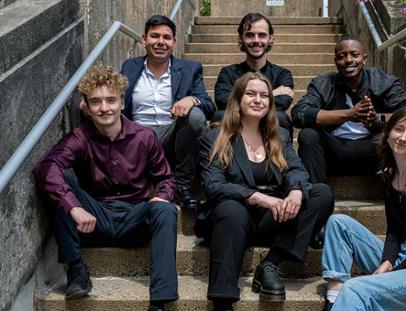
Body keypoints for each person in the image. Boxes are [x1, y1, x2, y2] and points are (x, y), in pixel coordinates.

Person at [33, 65, 178, 311]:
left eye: (111, 100)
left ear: (122, 102)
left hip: (135, 219)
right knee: (56, 179)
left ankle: (159, 301)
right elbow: (45, 167)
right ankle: (76, 269)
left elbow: (166, 178)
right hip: (94, 220)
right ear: (87, 108)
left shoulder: (145, 137)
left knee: (166, 210)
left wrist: (162, 196)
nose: (104, 108)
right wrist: (74, 208)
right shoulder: (79, 138)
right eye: (96, 102)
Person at [198, 72, 334, 311]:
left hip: (273, 219)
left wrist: (295, 192)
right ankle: (223, 300)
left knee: (320, 193)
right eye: (250, 94)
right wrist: (258, 197)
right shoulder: (215, 137)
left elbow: (297, 170)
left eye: (264, 95)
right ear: (238, 100)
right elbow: (213, 185)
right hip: (231, 220)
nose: (257, 100)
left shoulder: (278, 136)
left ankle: (270, 264)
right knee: (230, 209)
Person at [320, 104, 406, 311]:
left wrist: (394, 272)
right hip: (403, 253)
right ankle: (334, 296)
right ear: (389, 131)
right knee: (339, 224)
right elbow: (394, 231)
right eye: (399, 129)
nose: (403, 137)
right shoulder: (391, 174)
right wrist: (387, 260)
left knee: (357, 288)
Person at [291, 35, 406, 183]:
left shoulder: (382, 81)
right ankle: (316, 195)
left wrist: (379, 119)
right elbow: (299, 113)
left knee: (402, 133)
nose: (348, 60)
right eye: (341, 56)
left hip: (375, 152)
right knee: (308, 135)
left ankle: (404, 193)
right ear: (335, 62)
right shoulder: (323, 83)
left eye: (354, 55)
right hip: (334, 153)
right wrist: (349, 114)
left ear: (364, 59)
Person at [121, 15, 215, 209]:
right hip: (135, 136)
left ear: (174, 41)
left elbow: (209, 106)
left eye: (166, 37)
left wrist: (191, 100)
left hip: (171, 135)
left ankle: (183, 186)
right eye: (155, 36)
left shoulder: (190, 68)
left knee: (196, 116)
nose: (160, 42)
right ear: (144, 39)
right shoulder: (129, 67)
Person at [214, 12, 294, 136]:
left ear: (270, 38)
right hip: (235, 128)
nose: (256, 40)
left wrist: (240, 101)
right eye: (250, 35)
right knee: (220, 115)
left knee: (280, 117)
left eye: (262, 35)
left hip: (269, 127)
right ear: (241, 38)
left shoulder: (283, 74)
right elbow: (222, 101)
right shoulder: (228, 73)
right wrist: (273, 93)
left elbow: (283, 103)